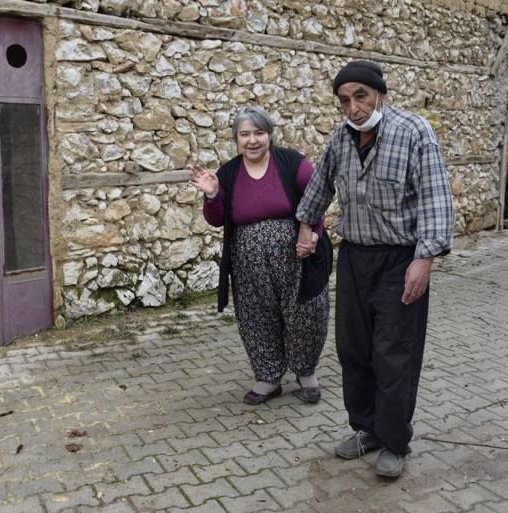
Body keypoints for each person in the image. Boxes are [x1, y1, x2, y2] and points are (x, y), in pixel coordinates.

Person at [295, 61, 455, 478]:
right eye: (344, 100)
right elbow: (319, 186)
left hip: (399, 261)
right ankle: (366, 429)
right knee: (353, 349)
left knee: (393, 354)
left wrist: (424, 260)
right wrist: (306, 226)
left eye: (361, 96)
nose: (354, 108)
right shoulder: (341, 138)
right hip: (354, 259)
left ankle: (395, 441)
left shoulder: (414, 131)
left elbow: (436, 199)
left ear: (380, 93)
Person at [189, 106, 331, 406]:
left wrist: (314, 236)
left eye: (259, 133)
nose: (252, 140)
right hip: (249, 266)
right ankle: (268, 378)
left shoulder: (292, 162)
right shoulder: (228, 173)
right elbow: (216, 219)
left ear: (269, 135)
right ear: (236, 139)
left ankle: (306, 373)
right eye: (245, 134)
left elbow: (316, 200)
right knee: (257, 318)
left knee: (306, 315)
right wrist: (212, 195)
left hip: (298, 260)